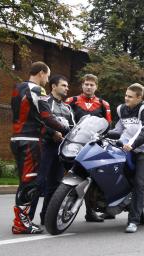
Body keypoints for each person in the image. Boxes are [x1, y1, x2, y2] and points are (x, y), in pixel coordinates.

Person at [10, 61, 70, 234]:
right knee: (31, 184)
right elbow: (47, 116)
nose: (47, 80)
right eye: (48, 76)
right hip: (30, 140)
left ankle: (20, 221)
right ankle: (22, 224)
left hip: (16, 138)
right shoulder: (38, 90)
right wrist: (67, 129)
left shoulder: (17, 87)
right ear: (42, 73)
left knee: (24, 182)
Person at [28, 75, 75, 225]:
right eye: (63, 85)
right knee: (39, 183)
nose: (67, 88)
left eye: (67, 86)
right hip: (46, 146)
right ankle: (27, 219)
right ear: (53, 86)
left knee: (55, 185)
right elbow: (40, 121)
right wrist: (52, 133)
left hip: (61, 149)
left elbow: (73, 128)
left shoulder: (68, 107)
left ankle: (45, 217)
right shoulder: (45, 101)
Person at [65, 73, 112, 222]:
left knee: (93, 178)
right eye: (86, 84)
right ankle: (50, 211)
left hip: (94, 145)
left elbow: (108, 125)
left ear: (96, 87)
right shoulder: (72, 101)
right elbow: (64, 119)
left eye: (92, 85)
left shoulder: (104, 104)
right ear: (82, 85)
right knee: (66, 176)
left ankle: (91, 211)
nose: (89, 87)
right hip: (73, 143)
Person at [112, 83, 144, 233]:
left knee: (139, 183)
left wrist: (132, 144)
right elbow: (118, 129)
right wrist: (102, 134)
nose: (126, 98)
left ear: (139, 97)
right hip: (125, 147)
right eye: (126, 95)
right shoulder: (121, 109)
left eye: (130, 96)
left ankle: (133, 221)